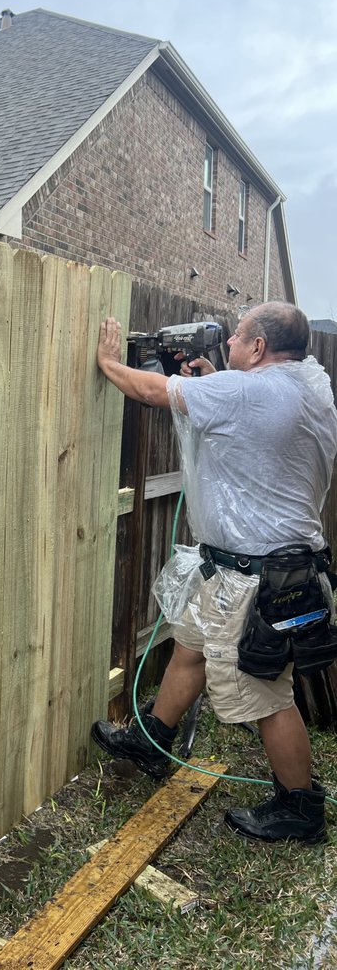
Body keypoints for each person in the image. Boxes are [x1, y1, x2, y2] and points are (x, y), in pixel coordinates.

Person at [91, 301, 337, 844]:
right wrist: (218, 382)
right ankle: (153, 740)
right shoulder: (308, 383)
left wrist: (110, 363)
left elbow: (153, 392)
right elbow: (250, 413)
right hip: (256, 569)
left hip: (255, 580)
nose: (227, 343)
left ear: (257, 348)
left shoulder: (249, 392)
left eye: (238, 338)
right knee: (191, 647)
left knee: (264, 691)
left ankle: (300, 806)